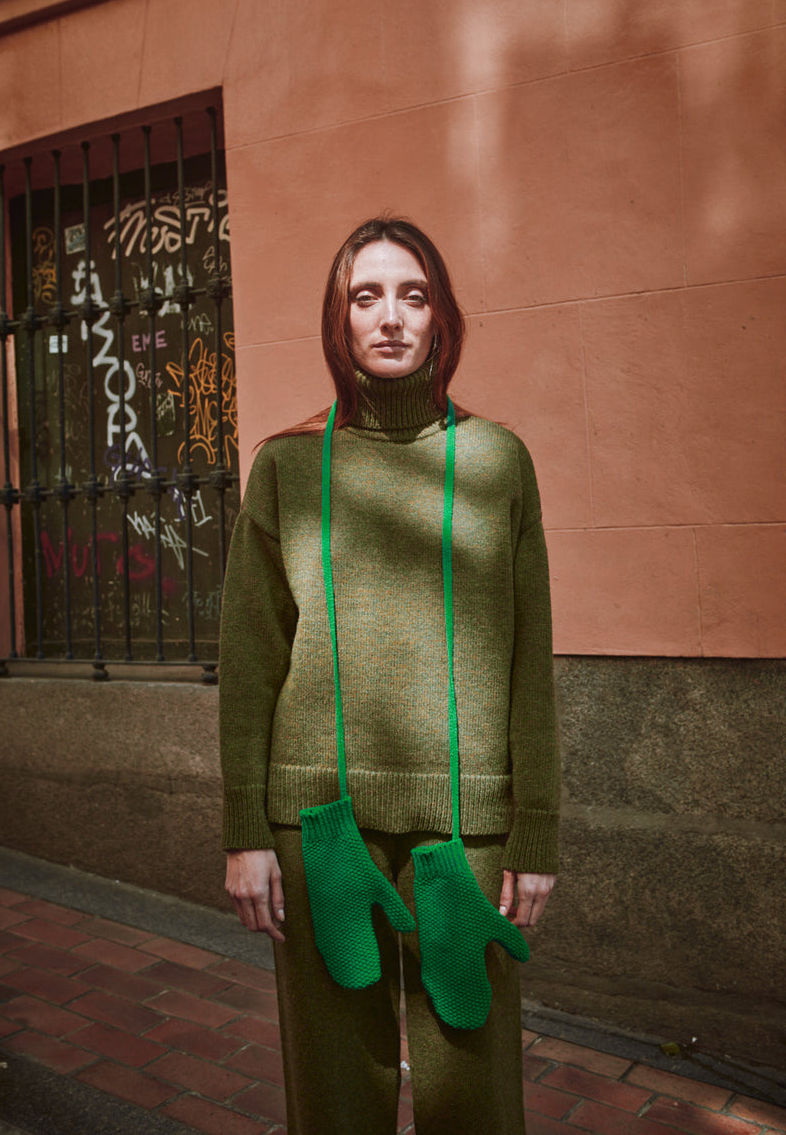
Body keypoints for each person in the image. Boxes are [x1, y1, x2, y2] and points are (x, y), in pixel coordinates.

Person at [219, 216, 560, 1135]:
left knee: (472, 1083)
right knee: (334, 1086)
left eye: (412, 294)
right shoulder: (287, 466)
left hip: (468, 822)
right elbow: (250, 664)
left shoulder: (498, 460)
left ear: (442, 316)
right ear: (339, 322)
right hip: (319, 821)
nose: (391, 317)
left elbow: (533, 662)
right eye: (366, 296)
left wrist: (537, 831)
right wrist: (246, 830)